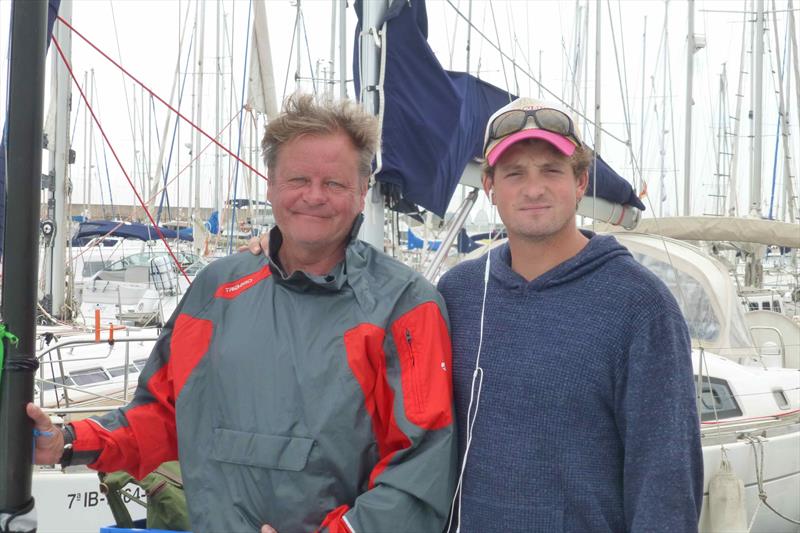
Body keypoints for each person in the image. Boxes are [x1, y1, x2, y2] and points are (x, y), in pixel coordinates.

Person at [27, 94, 457, 533]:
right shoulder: (216, 289)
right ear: (270, 184)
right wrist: (67, 442)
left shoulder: (405, 304)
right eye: (298, 178)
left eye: (334, 183)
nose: (314, 196)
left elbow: (418, 470)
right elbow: (160, 417)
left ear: (363, 192)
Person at [438, 97, 703, 532]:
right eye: (515, 173)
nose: (534, 188)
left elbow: (665, 481)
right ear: (489, 186)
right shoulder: (458, 293)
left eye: (551, 170)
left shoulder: (640, 305)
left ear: (580, 181)